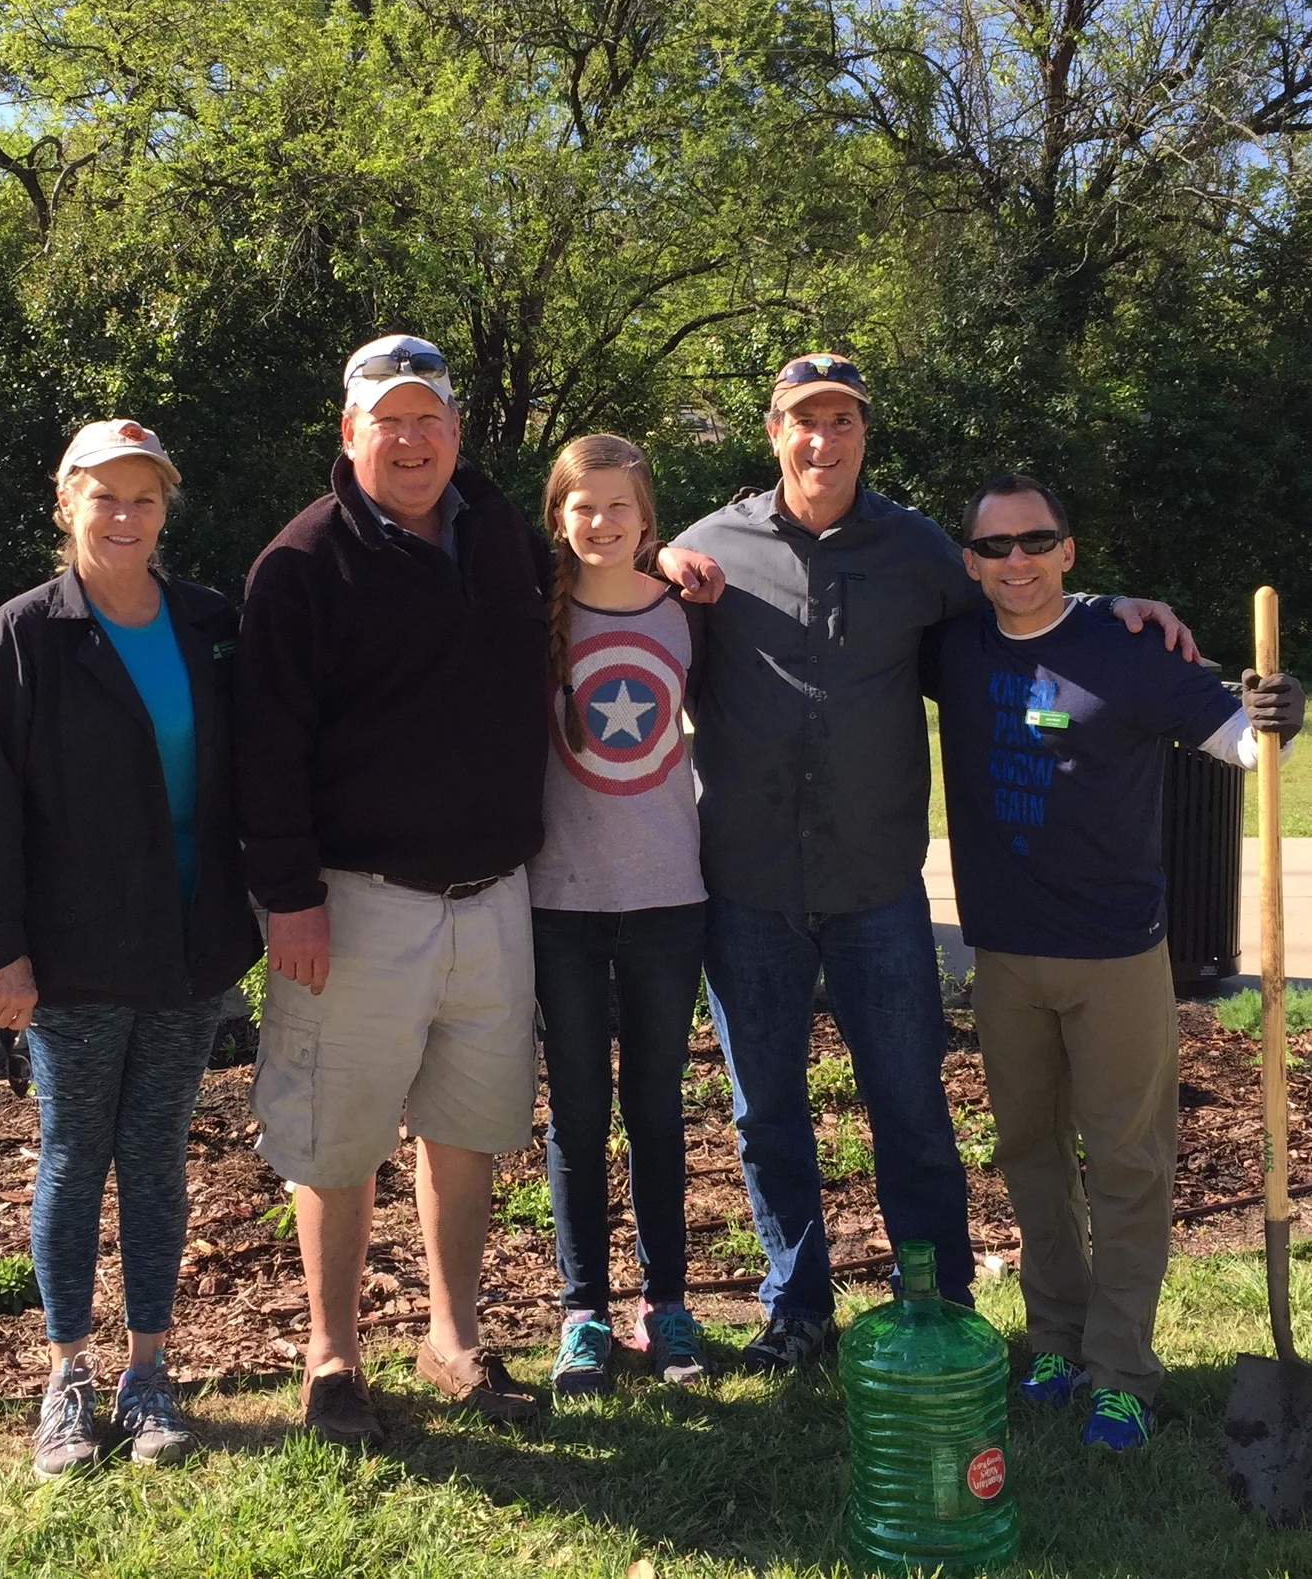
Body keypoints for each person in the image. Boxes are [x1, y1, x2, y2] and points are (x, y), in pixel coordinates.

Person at [234, 336, 725, 1446]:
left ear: (457, 430)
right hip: (358, 900)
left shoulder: (499, 532)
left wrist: (671, 557)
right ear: (350, 432)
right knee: (337, 1139)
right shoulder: (302, 564)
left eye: (429, 419)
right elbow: (265, 747)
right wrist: (289, 897)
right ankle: (332, 1357)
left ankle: (453, 1339)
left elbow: (601, 563)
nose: (411, 440)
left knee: (465, 1132)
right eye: (389, 421)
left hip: (499, 895)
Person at [669, 353, 1196, 1372]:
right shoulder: (710, 549)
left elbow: (1022, 597)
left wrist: (1120, 611)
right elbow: (613, 599)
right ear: (773, 432)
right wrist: (648, 561)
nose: (823, 439)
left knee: (911, 1109)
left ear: (865, 433)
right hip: (746, 886)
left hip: (877, 888)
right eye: (804, 420)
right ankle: (797, 1308)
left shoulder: (918, 551)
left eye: (843, 420)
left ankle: (935, 1302)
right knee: (766, 1114)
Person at [927, 472, 1304, 1450]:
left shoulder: (1129, 647)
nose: (1017, 560)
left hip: (1117, 954)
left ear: (1068, 549)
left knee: (1129, 1165)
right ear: (971, 561)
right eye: (996, 546)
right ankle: (1055, 1341)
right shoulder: (955, 647)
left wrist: (1275, 715)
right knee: (1032, 1156)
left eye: (1035, 540)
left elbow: (1241, 744)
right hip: (1006, 955)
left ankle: (1124, 1371)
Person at [0, 418, 263, 1480]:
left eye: (145, 497)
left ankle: (148, 1373)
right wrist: (2, 952)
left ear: (166, 507)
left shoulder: (211, 624)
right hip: (75, 957)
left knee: (157, 1158)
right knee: (75, 1156)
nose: (125, 515)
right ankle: (67, 1378)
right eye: (105, 496)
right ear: (66, 504)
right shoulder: (23, 636)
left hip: (190, 948)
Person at [528, 435, 708, 1395]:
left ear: (647, 518)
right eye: (584, 505)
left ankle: (666, 1302)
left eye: (620, 506)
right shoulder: (533, 617)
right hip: (560, 902)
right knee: (577, 1112)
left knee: (656, 1107)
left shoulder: (687, 614)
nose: (601, 522)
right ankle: (583, 1311)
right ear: (558, 516)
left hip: (669, 898)